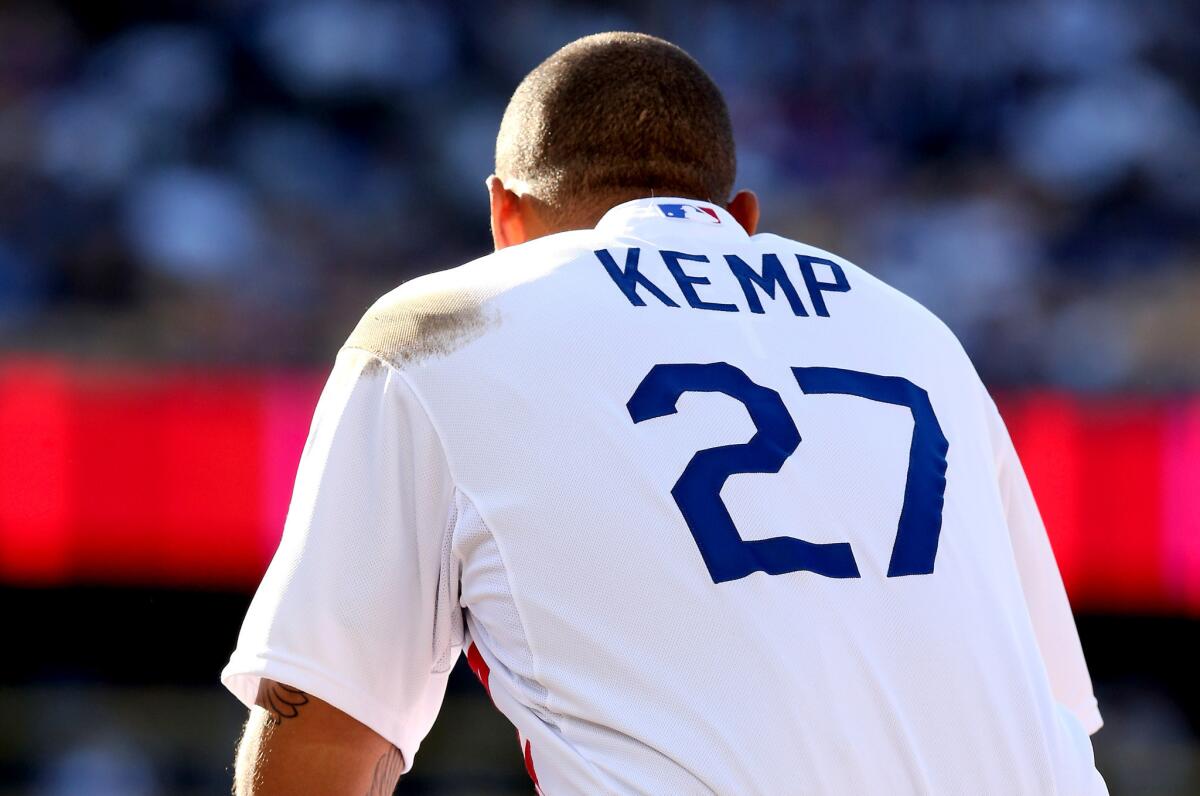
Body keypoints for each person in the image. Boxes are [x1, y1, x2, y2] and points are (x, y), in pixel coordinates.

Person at [224, 32, 1106, 795]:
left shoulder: (446, 326)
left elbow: (330, 730)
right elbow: (1050, 708)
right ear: (741, 219)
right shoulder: (916, 332)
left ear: (505, 216)